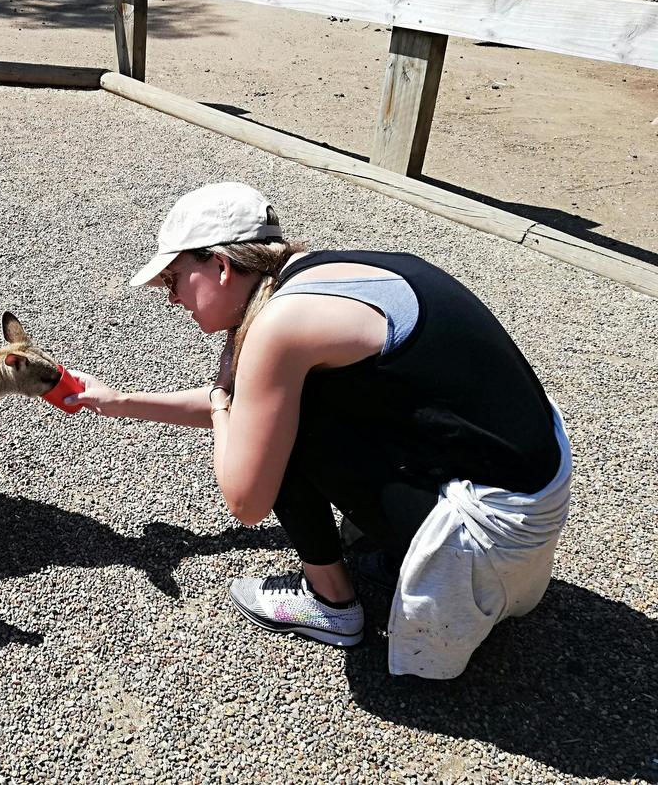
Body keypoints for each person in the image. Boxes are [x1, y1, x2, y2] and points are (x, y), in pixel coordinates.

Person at [68, 181, 572, 678]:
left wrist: (223, 402)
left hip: (490, 538)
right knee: (290, 411)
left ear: (220, 266)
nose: (172, 299)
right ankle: (394, 550)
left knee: (285, 435)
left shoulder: (280, 327)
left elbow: (246, 501)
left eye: (174, 281)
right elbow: (257, 408)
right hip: (533, 500)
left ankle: (330, 603)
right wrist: (118, 402)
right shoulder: (321, 274)